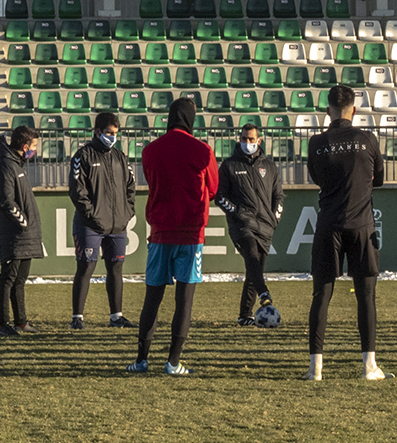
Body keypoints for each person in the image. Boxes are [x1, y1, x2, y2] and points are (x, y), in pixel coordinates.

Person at [126, 98, 219, 376]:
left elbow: (153, 182)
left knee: (152, 297)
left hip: (160, 232)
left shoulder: (151, 150)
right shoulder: (203, 150)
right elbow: (213, 188)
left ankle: (142, 360)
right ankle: (173, 362)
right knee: (184, 300)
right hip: (191, 235)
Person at [304, 85, 388, 381]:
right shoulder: (367, 139)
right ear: (354, 110)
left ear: (328, 112)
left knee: (321, 295)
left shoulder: (316, 142)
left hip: (329, 224)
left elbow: (316, 177)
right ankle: (369, 366)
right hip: (362, 224)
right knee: (366, 296)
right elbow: (378, 179)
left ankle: (316, 368)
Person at [67, 112, 137, 330]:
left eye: (115, 133)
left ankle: (116, 316)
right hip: (90, 226)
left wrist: (127, 213)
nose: (112, 137)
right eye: (109, 133)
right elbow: (77, 191)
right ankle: (77, 317)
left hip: (117, 226)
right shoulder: (82, 156)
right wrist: (92, 215)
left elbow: (131, 188)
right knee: (86, 267)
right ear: (97, 132)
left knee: (116, 269)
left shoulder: (121, 157)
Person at [215, 123, 284, 325]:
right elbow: (219, 197)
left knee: (255, 270)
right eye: (244, 139)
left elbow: (278, 196)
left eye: (251, 139)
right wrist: (236, 213)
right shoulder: (229, 166)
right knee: (251, 256)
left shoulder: (269, 166)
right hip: (241, 225)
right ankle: (264, 293)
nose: (247, 143)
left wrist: (274, 219)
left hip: (265, 225)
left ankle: (245, 315)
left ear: (259, 141)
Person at [0, 125, 43, 336]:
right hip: (14, 234)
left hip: (25, 236)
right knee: (8, 279)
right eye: (34, 146)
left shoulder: (16, 165)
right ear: (25, 145)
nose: (35, 150)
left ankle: (21, 322)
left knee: (20, 281)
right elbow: (7, 202)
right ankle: (3, 324)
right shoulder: (4, 166)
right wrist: (24, 223)